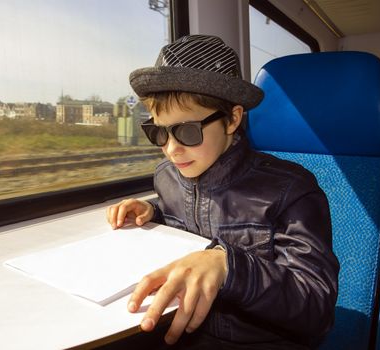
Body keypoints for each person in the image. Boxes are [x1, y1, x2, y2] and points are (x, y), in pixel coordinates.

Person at [106, 34, 339, 349]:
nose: (171, 150)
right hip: (179, 332)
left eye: (187, 131)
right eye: (158, 132)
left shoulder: (290, 190)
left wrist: (229, 266)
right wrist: (153, 213)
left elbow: (316, 308)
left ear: (232, 118)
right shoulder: (167, 178)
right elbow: (185, 217)